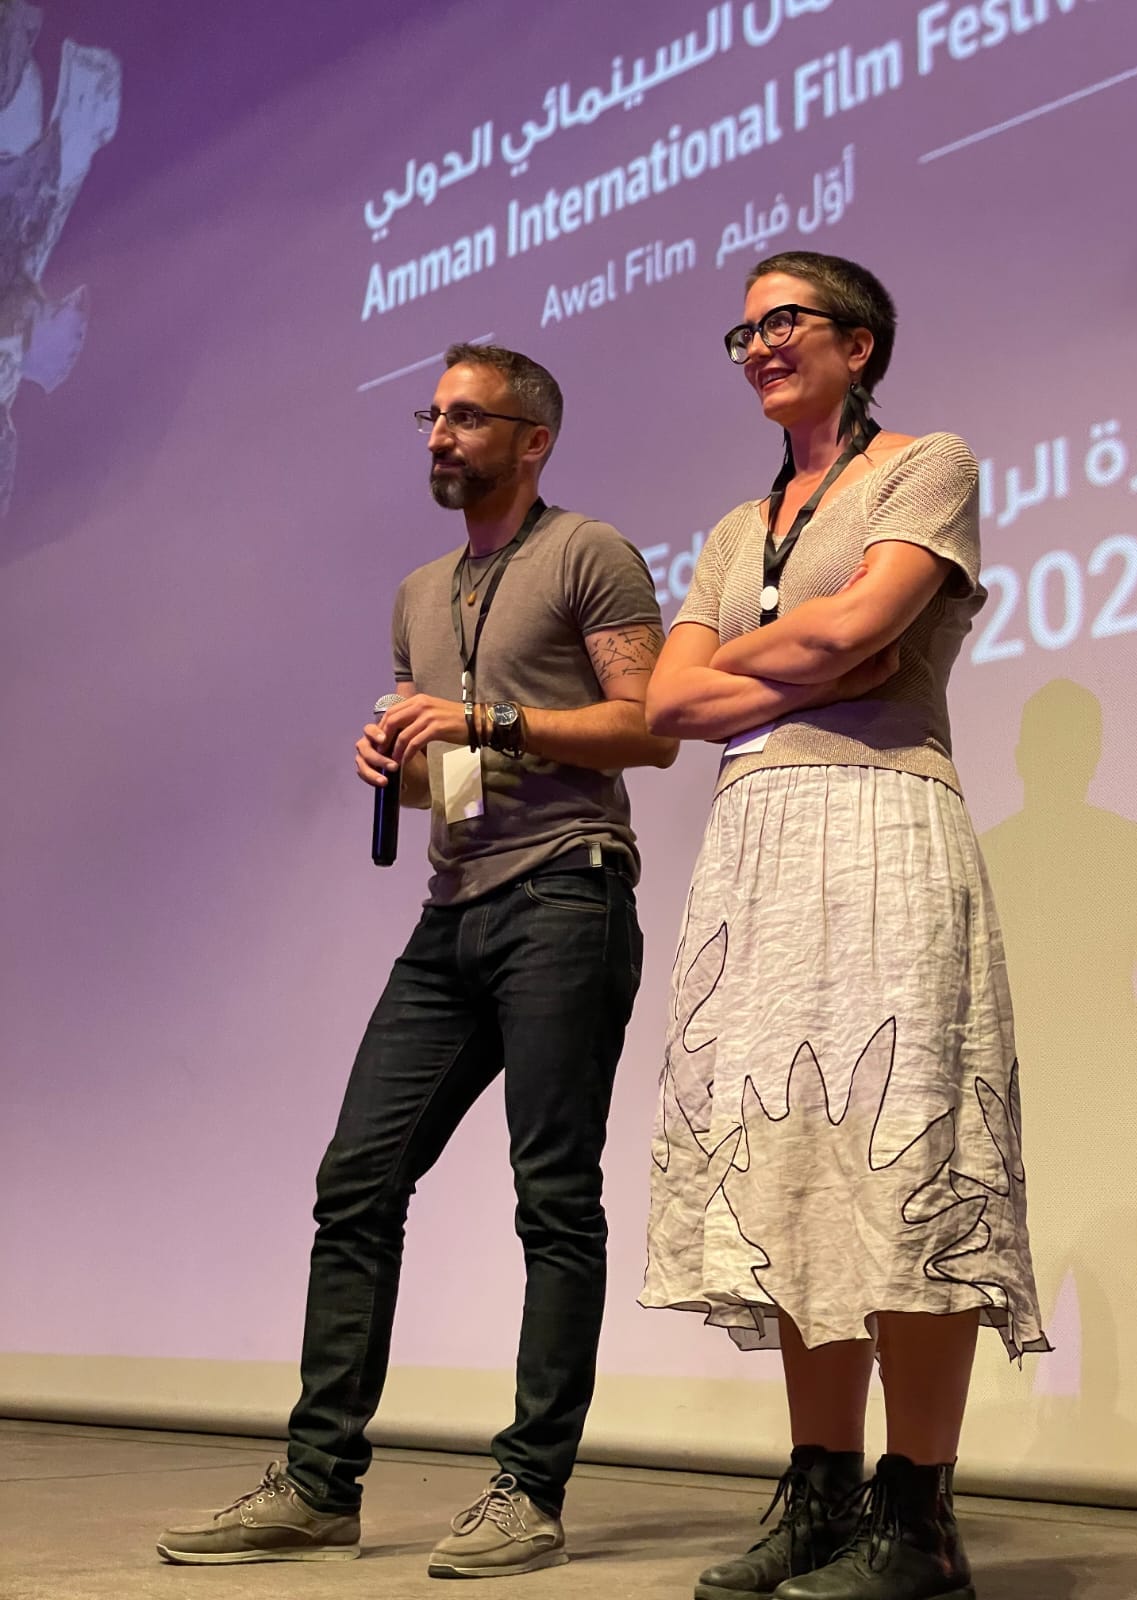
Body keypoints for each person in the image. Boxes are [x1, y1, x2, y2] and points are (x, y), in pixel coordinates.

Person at [156, 343, 676, 1575]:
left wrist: (487, 720)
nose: (438, 435)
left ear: (533, 437)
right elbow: (450, 748)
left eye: (465, 416)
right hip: (453, 912)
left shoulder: (587, 552)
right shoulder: (419, 588)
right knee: (357, 1183)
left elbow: (647, 727)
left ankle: (528, 1490)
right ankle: (320, 1481)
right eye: (429, 415)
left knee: (552, 1198)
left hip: (567, 894)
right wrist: (404, 752)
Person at [639, 254, 1047, 1600]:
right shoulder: (724, 528)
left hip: (882, 823)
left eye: (785, 322)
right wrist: (811, 653)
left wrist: (791, 653)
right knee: (793, 1166)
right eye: (743, 330)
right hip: (757, 846)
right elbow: (667, 707)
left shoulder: (926, 465)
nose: (758, 345)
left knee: (905, 1158)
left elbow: (872, 626)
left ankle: (917, 1521)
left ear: (859, 345)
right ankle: (818, 1498)